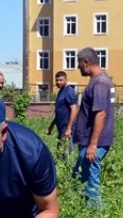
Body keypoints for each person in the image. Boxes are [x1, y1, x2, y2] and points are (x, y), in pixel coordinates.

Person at [71, 47, 115, 208]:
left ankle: (96, 216)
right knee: (79, 177)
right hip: (90, 141)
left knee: (90, 181)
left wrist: (93, 145)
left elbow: (101, 114)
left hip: (94, 142)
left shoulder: (99, 83)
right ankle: (81, 210)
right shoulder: (100, 80)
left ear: (86, 62)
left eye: (79, 63)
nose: (77, 67)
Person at [45, 71, 78, 159]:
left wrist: (69, 128)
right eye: (57, 80)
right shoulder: (61, 92)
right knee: (60, 156)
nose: (58, 82)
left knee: (68, 158)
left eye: (61, 80)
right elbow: (59, 112)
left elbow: (74, 109)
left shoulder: (69, 91)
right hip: (61, 130)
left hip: (68, 131)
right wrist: (51, 126)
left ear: (66, 80)